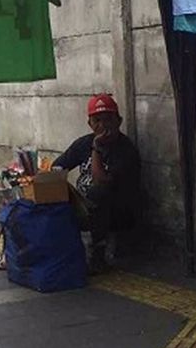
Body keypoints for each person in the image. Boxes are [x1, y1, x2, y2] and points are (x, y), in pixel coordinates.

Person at [53, 93, 141, 273]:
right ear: (90, 124)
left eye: (108, 120)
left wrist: (96, 149)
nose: (103, 126)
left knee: (98, 193)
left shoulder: (125, 150)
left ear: (119, 121)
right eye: (97, 121)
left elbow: (100, 180)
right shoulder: (83, 143)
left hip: (116, 211)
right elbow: (58, 167)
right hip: (84, 205)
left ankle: (98, 253)